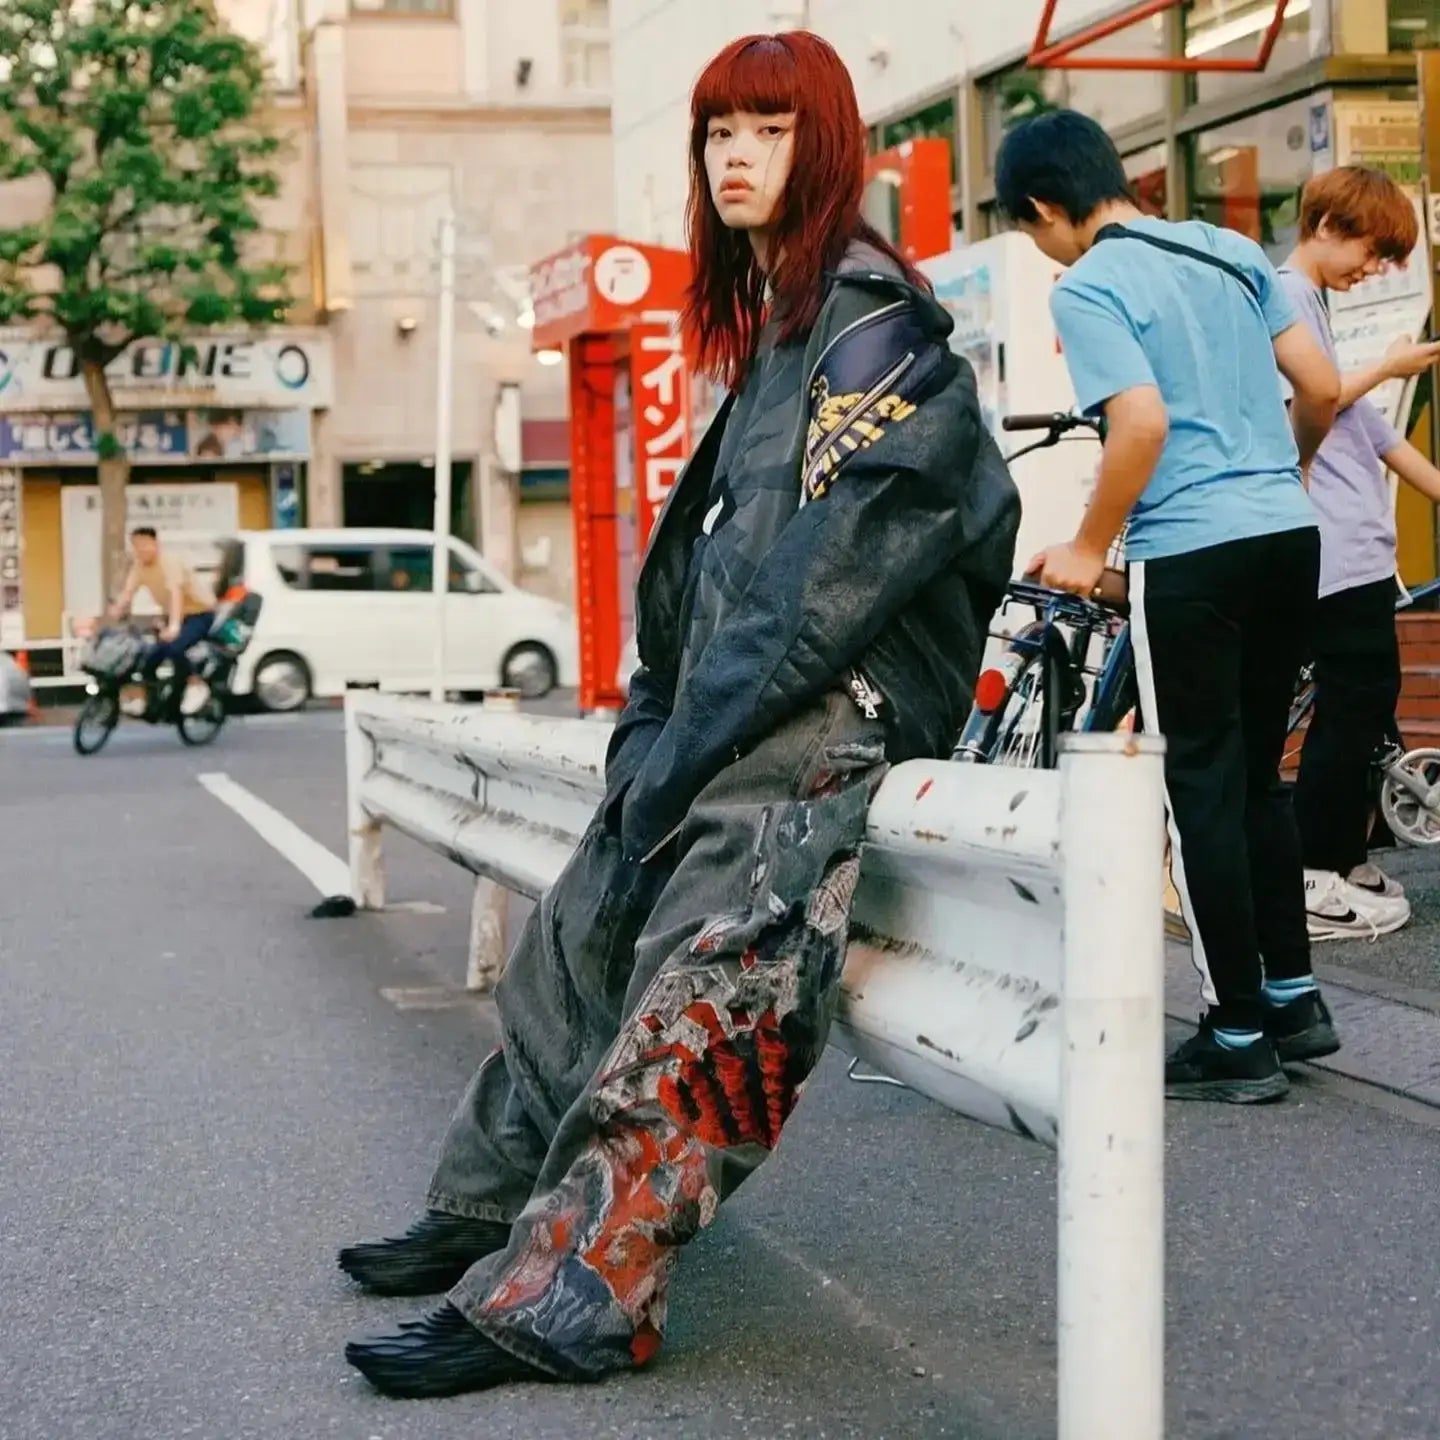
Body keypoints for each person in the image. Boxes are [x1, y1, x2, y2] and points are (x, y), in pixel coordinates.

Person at [340, 30, 1020, 1399]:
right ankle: (487, 1213)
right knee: (581, 924)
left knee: (712, 969)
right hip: (742, 706)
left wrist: (682, 743)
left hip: (829, 716)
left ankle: (581, 1289)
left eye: (768, 129)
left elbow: (822, 593)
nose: (734, 155)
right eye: (719, 131)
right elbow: (713, 578)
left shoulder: (872, 324)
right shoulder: (779, 323)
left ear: (823, 146)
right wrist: (654, 732)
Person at [996, 109, 1342, 1104]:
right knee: (1258, 780)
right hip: (1287, 534)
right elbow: (1318, 387)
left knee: (1198, 788)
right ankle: (1292, 997)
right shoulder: (1233, 251)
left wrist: (1089, 545)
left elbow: (1139, 423)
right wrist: (1286, 475)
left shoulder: (1092, 284)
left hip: (1190, 553)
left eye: (1032, 229)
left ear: (1049, 210)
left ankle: (1235, 1035)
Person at [1276, 166, 1440, 940]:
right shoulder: (1282, 295)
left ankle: (1339, 858)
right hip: (1328, 548)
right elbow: (1319, 399)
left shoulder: (1313, 303)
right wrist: (1389, 366)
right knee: (1350, 708)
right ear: (1330, 225)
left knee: (1364, 704)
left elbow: (1368, 428)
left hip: (1356, 550)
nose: (1372, 272)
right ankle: (1314, 869)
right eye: (1372, 253)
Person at [106, 526, 215, 720]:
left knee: (175, 648)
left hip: (199, 613)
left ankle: (196, 684)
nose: (141, 550)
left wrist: (174, 625)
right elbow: (128, 591)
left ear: (156, 544)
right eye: (136, 546)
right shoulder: (139, 566)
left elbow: (176, 594)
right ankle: (154, 705)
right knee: (149, 660)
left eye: (145, 545)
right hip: (172, 614)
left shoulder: (169, 562)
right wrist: (117, 609)